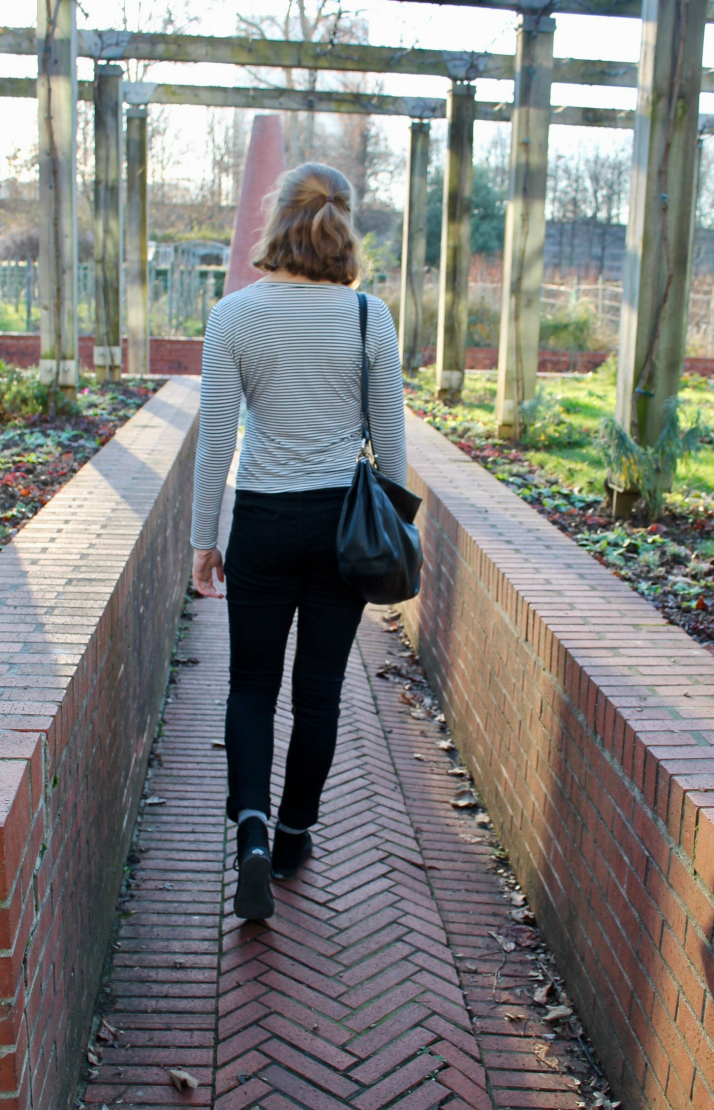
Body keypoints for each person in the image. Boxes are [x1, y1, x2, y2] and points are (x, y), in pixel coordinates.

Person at [190, 162, 407, 921]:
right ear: (344, 225)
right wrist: (395, 538)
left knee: (251, 684)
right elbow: (392, 446)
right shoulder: (366, 317)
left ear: (277, 220)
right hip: (341, 531)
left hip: (263, 521)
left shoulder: (235, 316)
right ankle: (290, 838)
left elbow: (216, 441)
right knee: (318, 693)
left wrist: (201, 541)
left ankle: (247, 829)